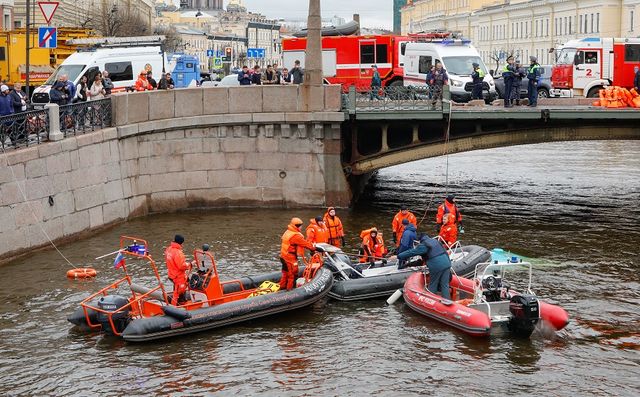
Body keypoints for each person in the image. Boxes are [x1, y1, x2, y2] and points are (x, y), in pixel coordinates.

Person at [395, 235, 452, 299]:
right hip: (447, 263)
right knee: (445, 285)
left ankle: (430, 300)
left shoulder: (424, 245)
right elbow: (444, 252)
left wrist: (399, 256)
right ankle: (447, 301)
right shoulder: (436, 241)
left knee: (433, 284)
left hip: (437, 265)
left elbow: (412, 252)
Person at [279, 217, 317, 290]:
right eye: (301, 226)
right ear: (297, 226)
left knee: (285, 273)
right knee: (292, 275)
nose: (302, 228)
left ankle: (282, 287)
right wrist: (314, 248)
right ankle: (290, 291)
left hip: (283, 256)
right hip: (289, 258)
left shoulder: (288, 231)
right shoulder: (296, 236)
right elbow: (305, 244)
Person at [165, 234, 190, 306]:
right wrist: (189, 264)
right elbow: (181, 266)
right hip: (178, 276)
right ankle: (174, 307)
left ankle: (182, 301)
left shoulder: (168, 249)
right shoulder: (178, 253)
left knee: (180, 288)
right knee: (177, 292)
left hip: (171, 274)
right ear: (181, 242)